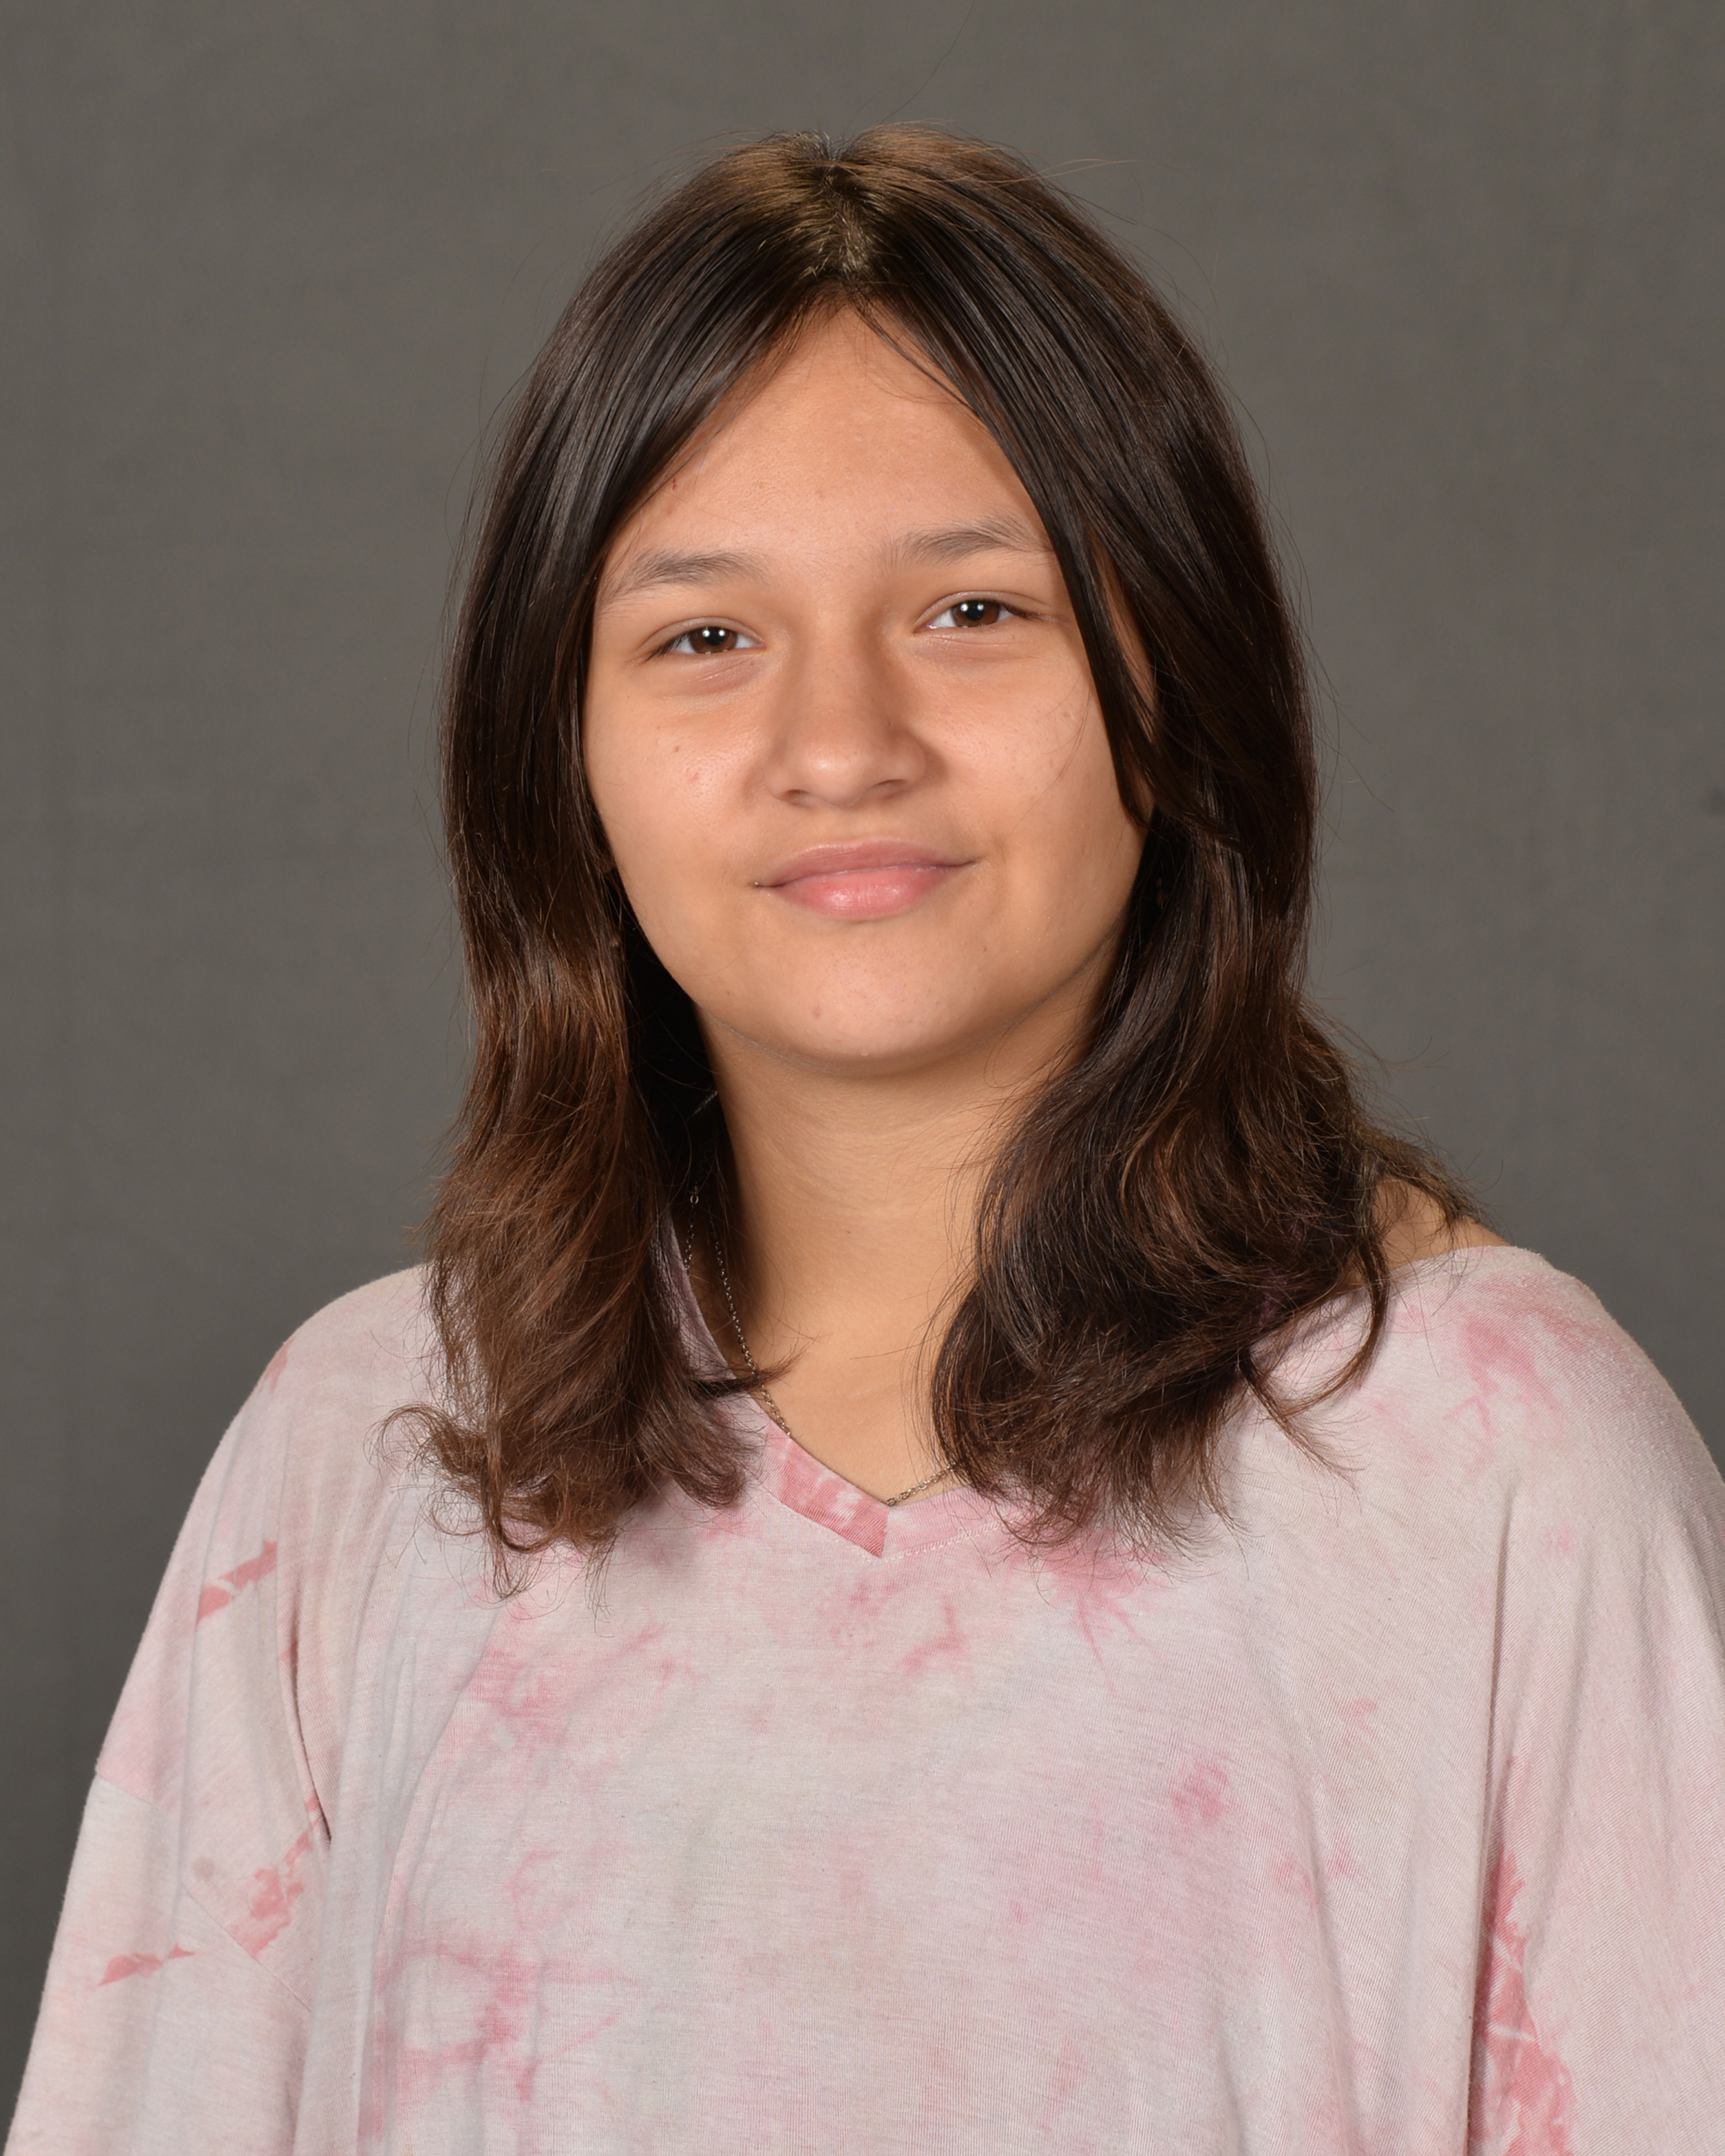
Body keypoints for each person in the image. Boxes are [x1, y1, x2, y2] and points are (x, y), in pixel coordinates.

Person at [9, 126, 1723, 2155]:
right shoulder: (366, 1454)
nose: (839, 746)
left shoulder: (1504, 1475)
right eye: (704, 637)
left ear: (1177, 684)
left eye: (973, 609)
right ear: (562, 751)